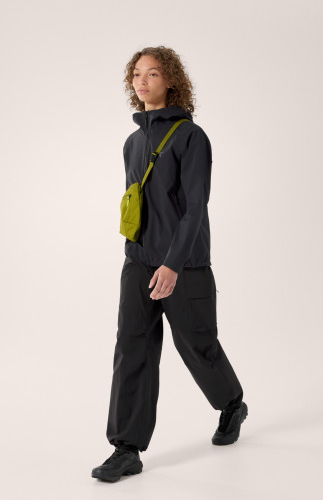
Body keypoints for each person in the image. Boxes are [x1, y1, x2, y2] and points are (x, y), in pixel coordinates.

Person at [92, 46, 248, 483]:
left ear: (171, 81)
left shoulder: (191, 137)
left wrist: (173, 264)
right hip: (139, 264)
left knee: (197, 345)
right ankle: (126, 448)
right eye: (136, 74)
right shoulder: (132, 142)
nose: (142, 81)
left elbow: (196, 208)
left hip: (185, 265)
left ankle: (232, 404)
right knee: (132, 349)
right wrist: (137, 255)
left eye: (153, 73)